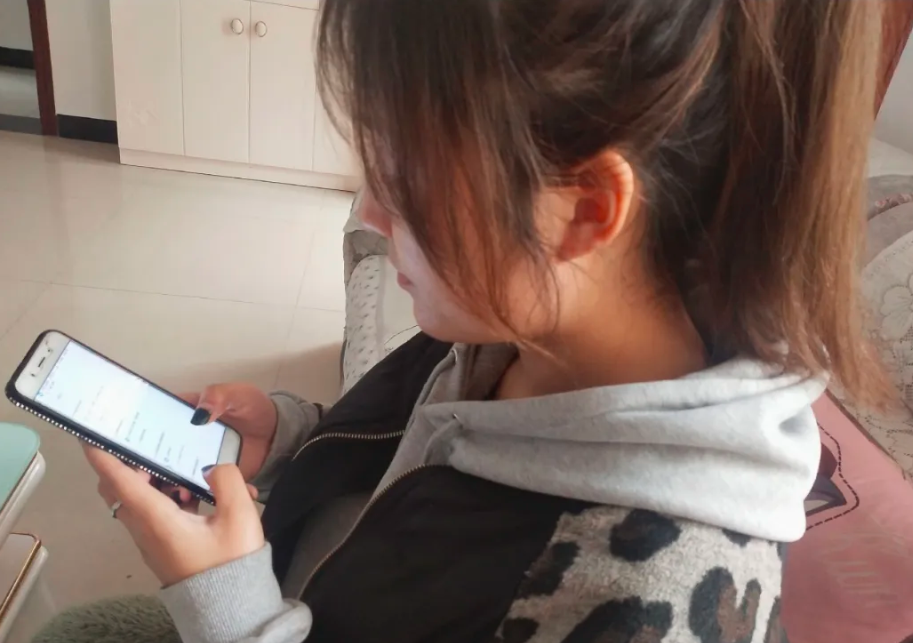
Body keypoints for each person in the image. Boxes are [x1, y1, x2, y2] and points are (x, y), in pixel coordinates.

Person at [44, 0, 885, 642]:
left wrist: (229, 610)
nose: (369, 214)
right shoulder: (517, 334)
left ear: (581, 211)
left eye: (404, 179)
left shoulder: (639, 601)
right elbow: (422, 470)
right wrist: (297, 436)